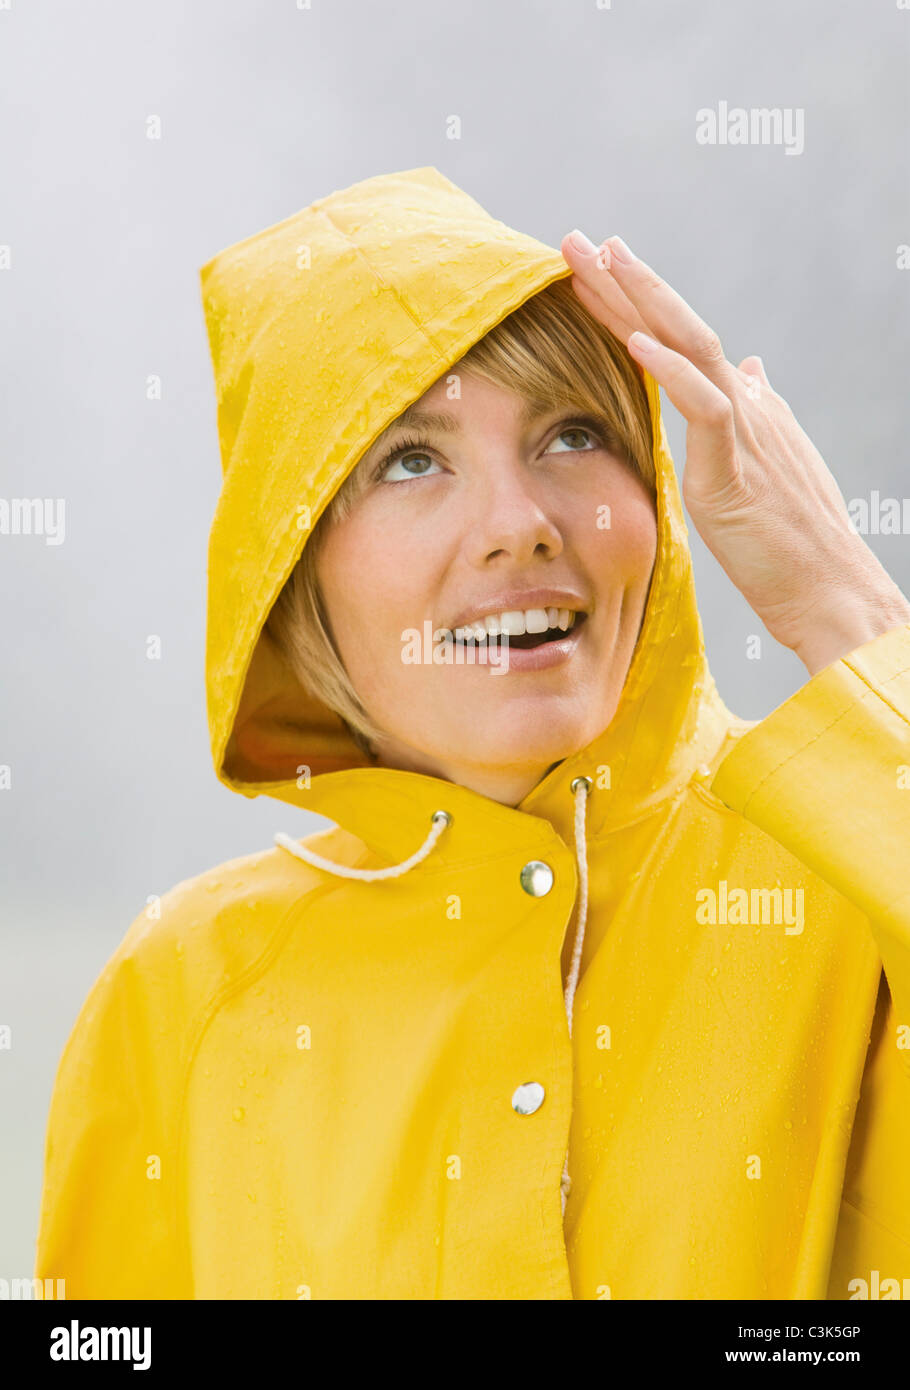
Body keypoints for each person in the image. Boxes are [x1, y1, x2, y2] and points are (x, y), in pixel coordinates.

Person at [35, 166, 910, 1300]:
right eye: (409, 459)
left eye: (572, 434)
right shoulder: (180, 994)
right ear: (291, 567)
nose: (519, 527)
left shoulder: (851, 875)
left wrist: (850, 615)